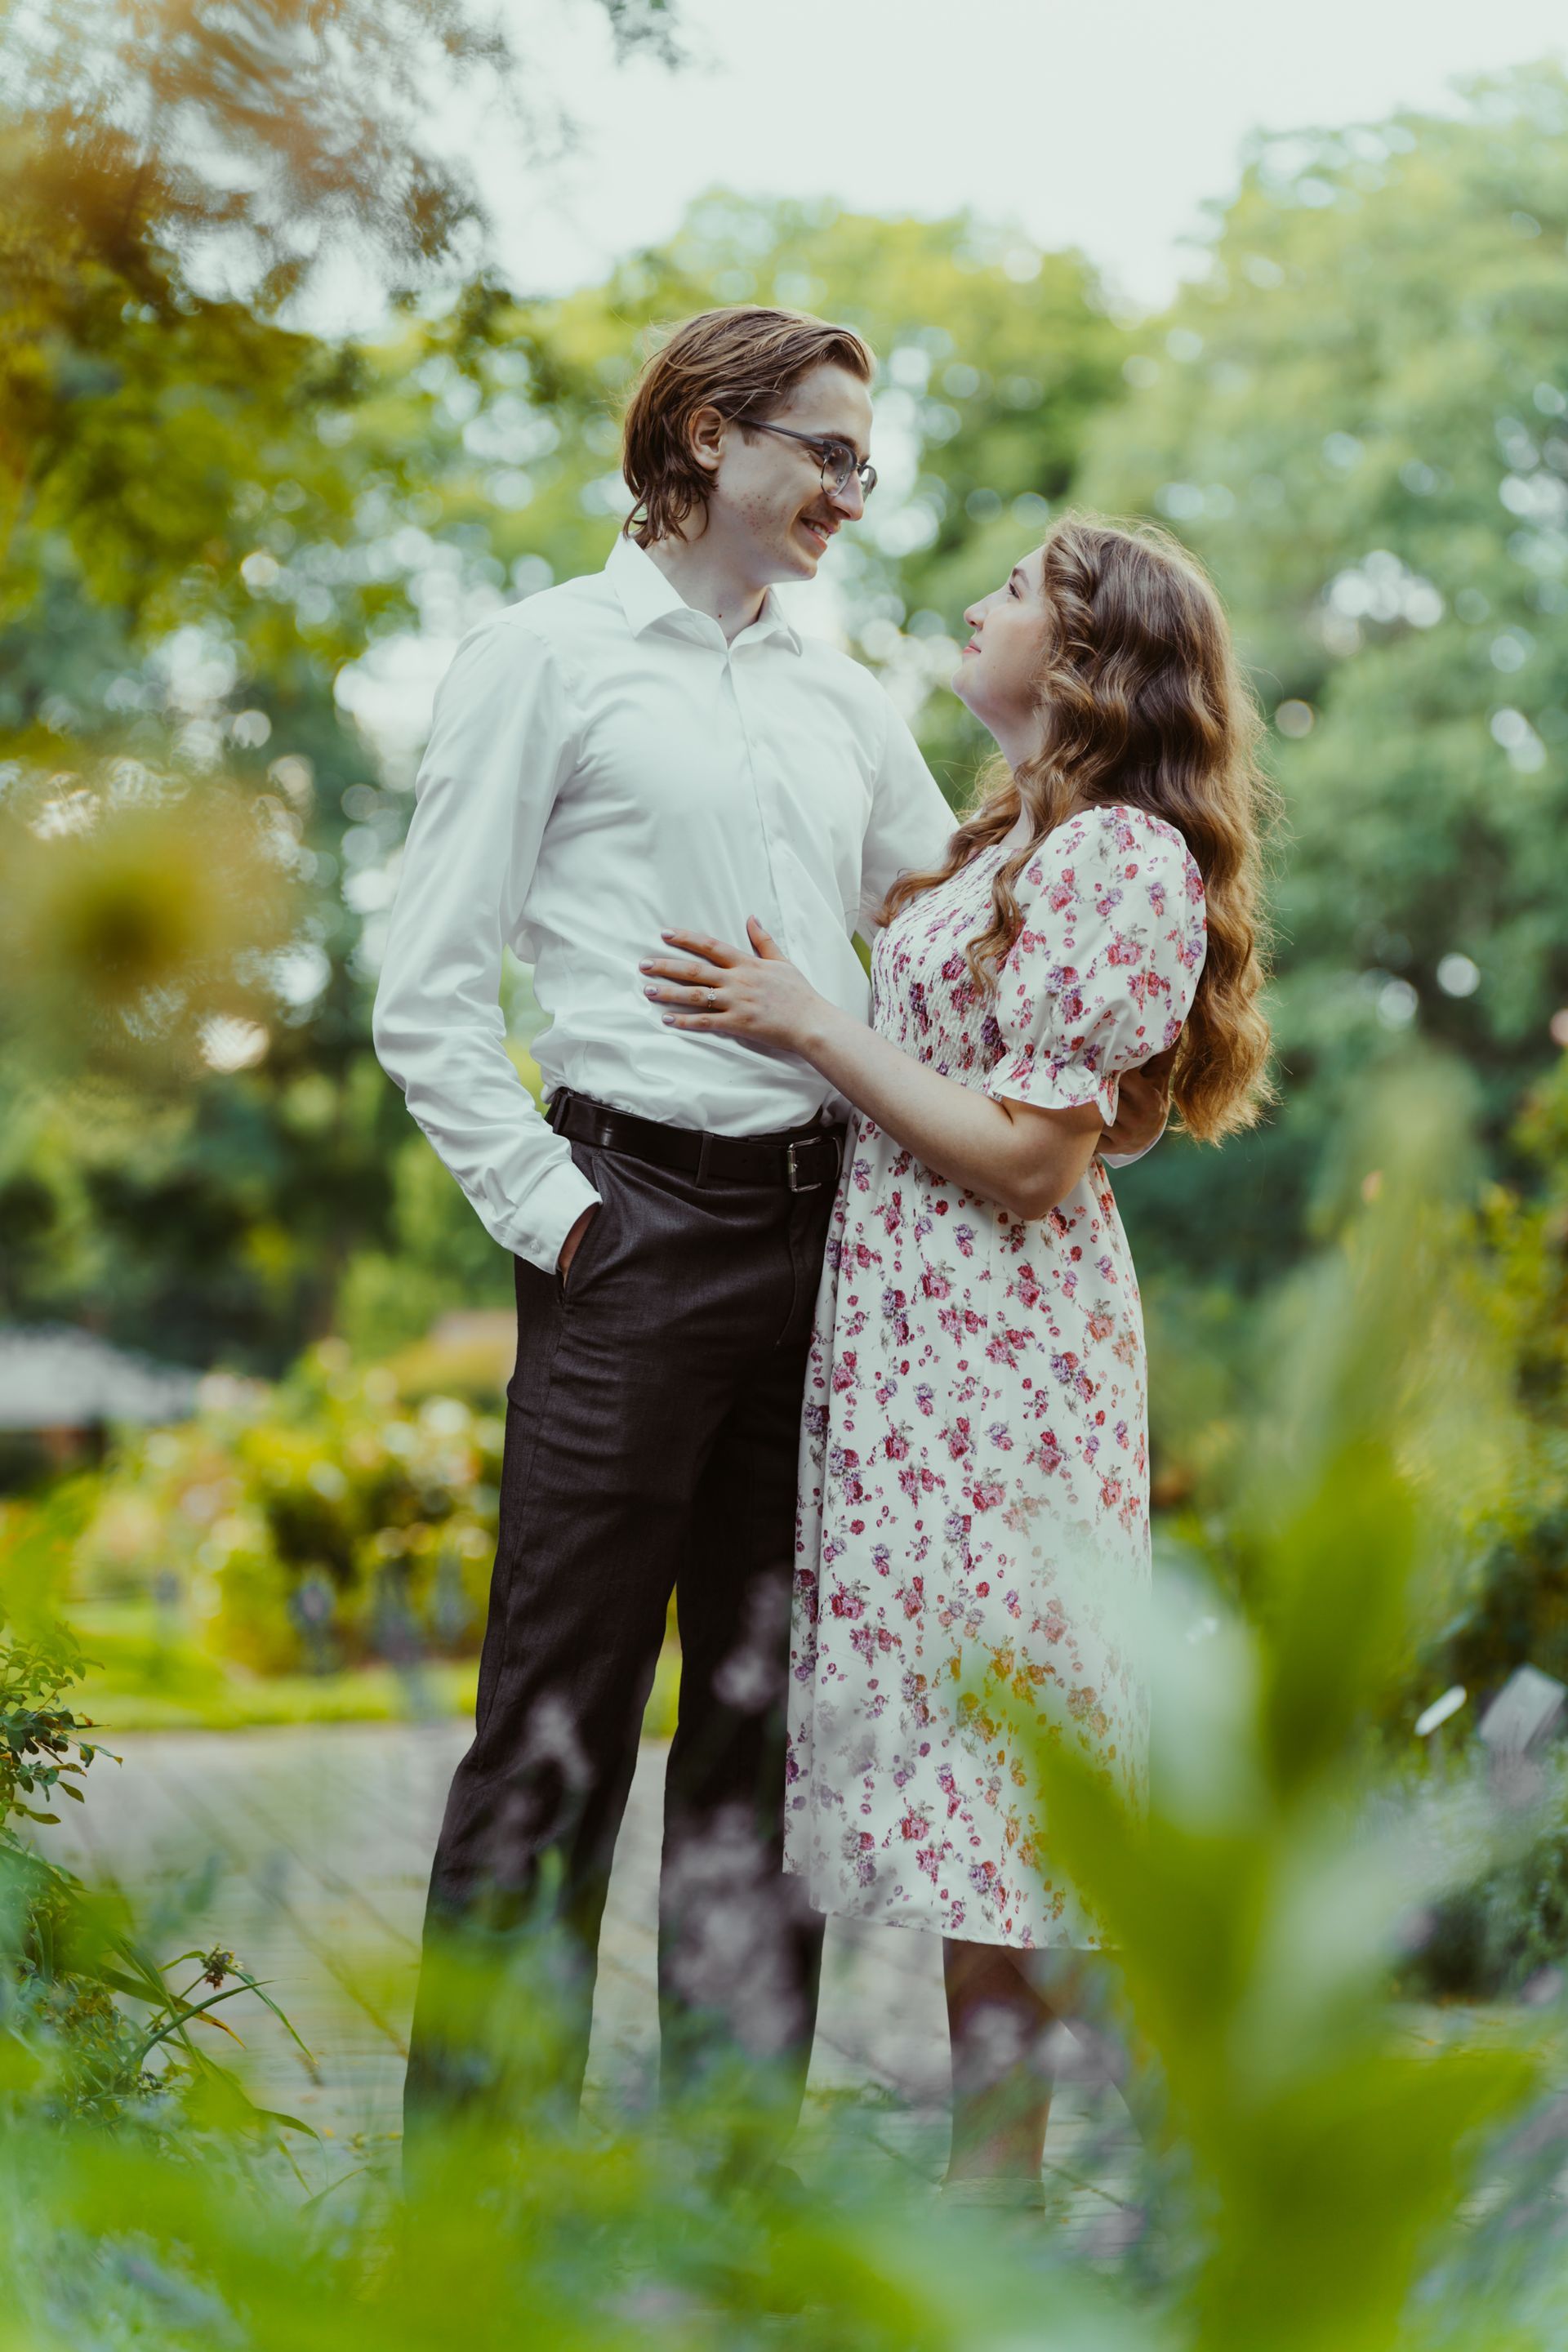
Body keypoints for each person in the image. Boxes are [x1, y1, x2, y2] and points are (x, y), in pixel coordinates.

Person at [373, 309, 1171, 2147]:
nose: (849, 495)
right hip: (626, 1223)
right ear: (708, 438)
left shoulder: (839, 701)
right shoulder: (543, 663)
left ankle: (731, 2194)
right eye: (825, 452)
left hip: (836, 1261)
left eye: (863, 464)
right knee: (552, 1728)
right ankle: (469, 2214)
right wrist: (563, 1220)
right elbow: (426, 987)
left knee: (766, 1741)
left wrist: (1126, 1041)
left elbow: (971, 917)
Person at [641, 512, 1273, 2200]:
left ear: (1081, 660)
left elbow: (1032, 1157)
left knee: (1010, 1787)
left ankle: (999, 2209)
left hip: (1001, 1369)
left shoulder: (1126, 858)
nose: (975, 606)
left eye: (1013, 593)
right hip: (926, 1355)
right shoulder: (1016, 845)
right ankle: (985, 2203)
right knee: (964, 1781)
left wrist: (810, 1022)